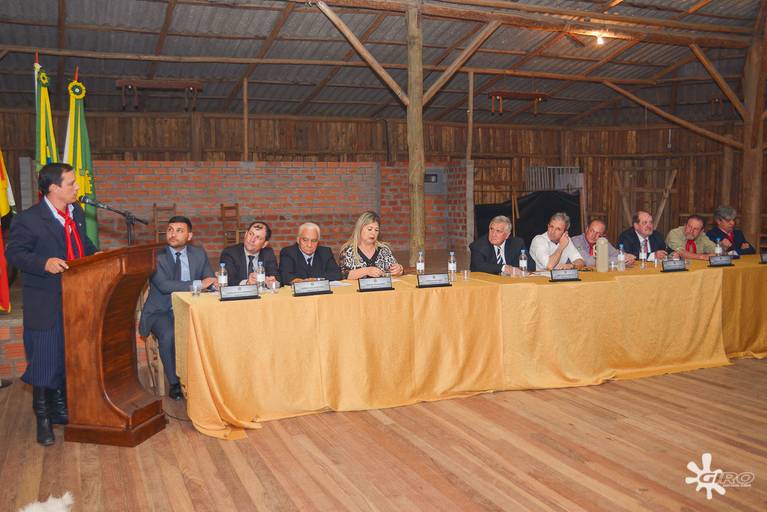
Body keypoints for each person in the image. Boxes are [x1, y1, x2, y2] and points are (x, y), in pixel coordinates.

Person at [5, 163, 98, 446]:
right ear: (54, 188)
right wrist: (43, 263)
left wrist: (98, 255)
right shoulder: (29, 219)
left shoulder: (76, 212)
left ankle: (60, 408)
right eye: (71, 183)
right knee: (45, 360)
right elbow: (14, 253)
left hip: (76, 298)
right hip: (45, 301)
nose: (77, 187)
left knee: (66, 357)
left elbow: (83, 244)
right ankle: (43, 418)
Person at [139, 216, 216, 400]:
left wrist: (214, 284)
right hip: (162, 310)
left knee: (214, 328)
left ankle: (208, 380)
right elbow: (164, 285)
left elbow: (209, 278)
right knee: (169, 335)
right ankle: (175, 383)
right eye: (170, 230)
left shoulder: (198, 254)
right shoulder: (156, 256)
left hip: (192, 307)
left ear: (189, 236)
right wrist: (199, 284)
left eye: (179, 231)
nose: (173, 234)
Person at [339, 211, 404, 279]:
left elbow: (395, 271)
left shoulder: (384, 250)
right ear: (360, 229)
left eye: (376, 230)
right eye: (369, 229)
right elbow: (342, 275)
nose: (373, 233)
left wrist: (400, 269)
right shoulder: (348, 251)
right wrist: (366, 271)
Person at [219, 220, 279, 286]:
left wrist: (272, 282)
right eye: (250, 234)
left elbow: (276, 278)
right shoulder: (230, 253)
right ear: (245, 234)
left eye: (258, 237)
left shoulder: (268, 253)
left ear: (264, 244)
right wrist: (247, 283)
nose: (252, 240)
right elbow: (228, 281)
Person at [469, 215, 533, 274]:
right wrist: (503, 268)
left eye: (498, 231)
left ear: (507, 235)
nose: (493, 234)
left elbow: (531, 265)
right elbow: (477, 267)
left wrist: (514, 270)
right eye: (491, 229)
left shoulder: (517, 244)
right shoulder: (478, 246)